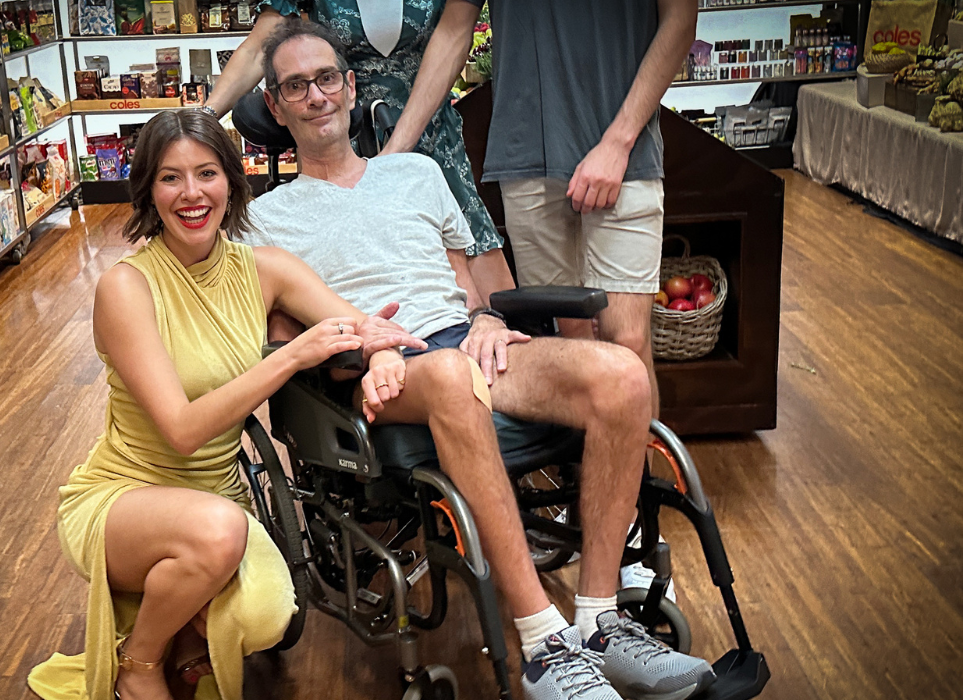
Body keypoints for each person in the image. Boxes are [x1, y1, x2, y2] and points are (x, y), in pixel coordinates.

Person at [238, 20, 716, 700]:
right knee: (451, 374)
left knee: (623, 374)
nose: (315, 96)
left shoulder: (418, 174)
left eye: (326, 79)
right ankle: (544, 645)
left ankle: (599, 622)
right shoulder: (267, 219)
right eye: (295, 86)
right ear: (276, 106)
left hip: (463, 343)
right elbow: (283, 331)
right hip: (384, 371)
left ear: (349, 87)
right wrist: (356, 348)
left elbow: (468, 283)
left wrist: (489, 317)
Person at [26, 110, 424, 700]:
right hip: (126, 497)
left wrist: (382, 355)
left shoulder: (264, 270)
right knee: (217, 535)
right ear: (147, 190)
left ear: (232, 184)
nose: (191, 193)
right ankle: (137, 666)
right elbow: (183, 431)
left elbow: (360, 325)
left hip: (220, 498)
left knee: (266, 616)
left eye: (207, 173)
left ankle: (179, 622)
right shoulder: (126, 287)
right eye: (170, 178)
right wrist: (288, 357)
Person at [205, 0, 516, 304]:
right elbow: (259, 48)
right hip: (346, 143)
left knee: (491, 304)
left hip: (433, 142)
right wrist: (200, 120)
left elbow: (453, 34)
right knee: (370, 282)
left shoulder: (424, 173)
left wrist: (395, 151)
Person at [481, 0, 698, 419]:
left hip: (627, 156)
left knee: (629, 343)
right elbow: (455, 28)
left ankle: (639, 483)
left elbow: (681, 19)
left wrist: (618, 143)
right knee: (563, 348)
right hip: (526, 155)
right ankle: (578, 475)